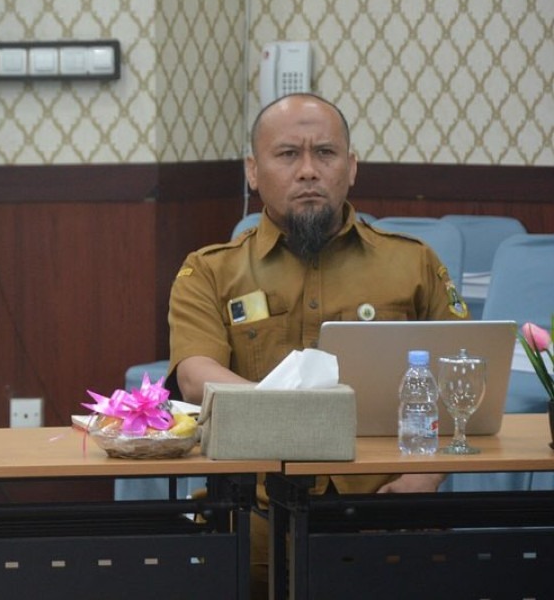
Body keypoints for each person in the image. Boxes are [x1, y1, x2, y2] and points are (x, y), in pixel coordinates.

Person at [167, 93, 467, 596]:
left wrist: (427, 475)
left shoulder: (412, 264)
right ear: (253, 171)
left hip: (388, 513)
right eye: (288, 154)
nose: (308, 170)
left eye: (325, 153)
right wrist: (294, 422)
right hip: (255, 517)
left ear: (351, 167)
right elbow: (196, 376)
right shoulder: (211, 270)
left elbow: (463, 374)